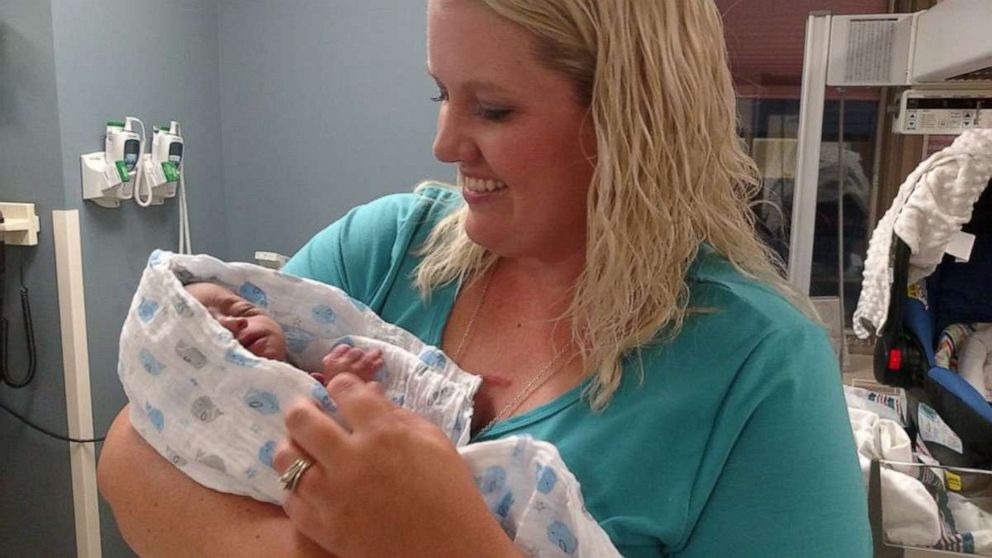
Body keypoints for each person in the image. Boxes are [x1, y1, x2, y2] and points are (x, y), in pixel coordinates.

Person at [97, 1, 872, 556]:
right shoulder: (383, 251)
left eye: (493, 109)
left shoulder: (758, 369)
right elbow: (138, 450)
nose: (442, 143)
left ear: (634, 119)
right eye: (442, 93)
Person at [183, 280, 385, 386]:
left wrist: (342, 382)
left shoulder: (311, 375)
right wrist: (345, 386)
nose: (232, 323)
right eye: (210, 328)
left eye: (244, 311)